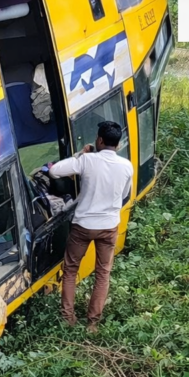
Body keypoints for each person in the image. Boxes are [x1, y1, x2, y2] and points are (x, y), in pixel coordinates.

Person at [48, 121, 133, 331]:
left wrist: (80, 154)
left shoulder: (87, 160)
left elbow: (55, 171)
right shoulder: (126, 166)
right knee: (102, 274)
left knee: (70, 270)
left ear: (99, 140)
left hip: (83, 226)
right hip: (109, 227)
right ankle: (93, 323)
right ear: (118, 144)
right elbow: (124, 194)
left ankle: (68, 317)